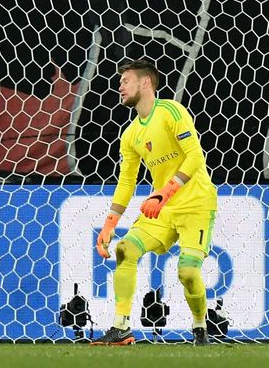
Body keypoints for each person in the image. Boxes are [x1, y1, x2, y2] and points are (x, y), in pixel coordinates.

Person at [91, 59, 217, 346]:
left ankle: (200, 328)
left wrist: (166, 191)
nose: (119, 86)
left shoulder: (171, 111)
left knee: (187, 271)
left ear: (145, 83)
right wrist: (109, 225)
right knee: (125, 249)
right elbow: (126, 183)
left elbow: (196, 157)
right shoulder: (131, 134)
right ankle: (121, 328)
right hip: (162, 207)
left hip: (195, 203)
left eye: (126, 80)